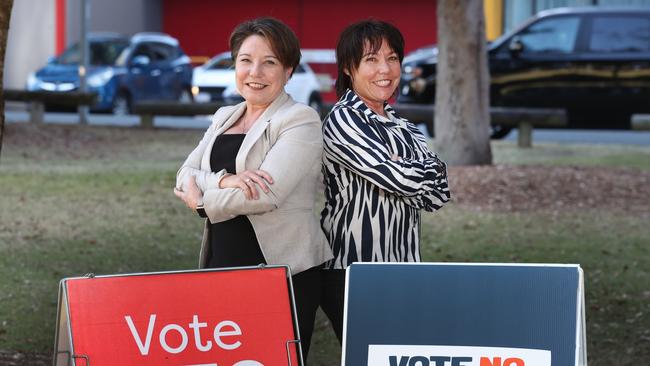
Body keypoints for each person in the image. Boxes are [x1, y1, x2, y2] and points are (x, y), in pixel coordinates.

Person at [173, 17, 332, 359]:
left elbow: (265, 195)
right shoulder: (224, 116)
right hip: (222, 263)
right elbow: (184, 174)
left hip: (282, 270)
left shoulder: (299, 119)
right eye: (245, 60)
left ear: (288, 70)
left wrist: (202, 201)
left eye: (269, 62)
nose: (254, 72)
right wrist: (224, 180)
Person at [320, 19, 451, 343]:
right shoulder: (342, 120)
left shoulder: (404, 125)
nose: (385, 69)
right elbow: (399, 181)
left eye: (392, 58)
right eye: (372, 59)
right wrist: (412, 170)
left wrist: (405, 171)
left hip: (404, 267)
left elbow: (439, 194)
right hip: (352, 270)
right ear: (349, 68)